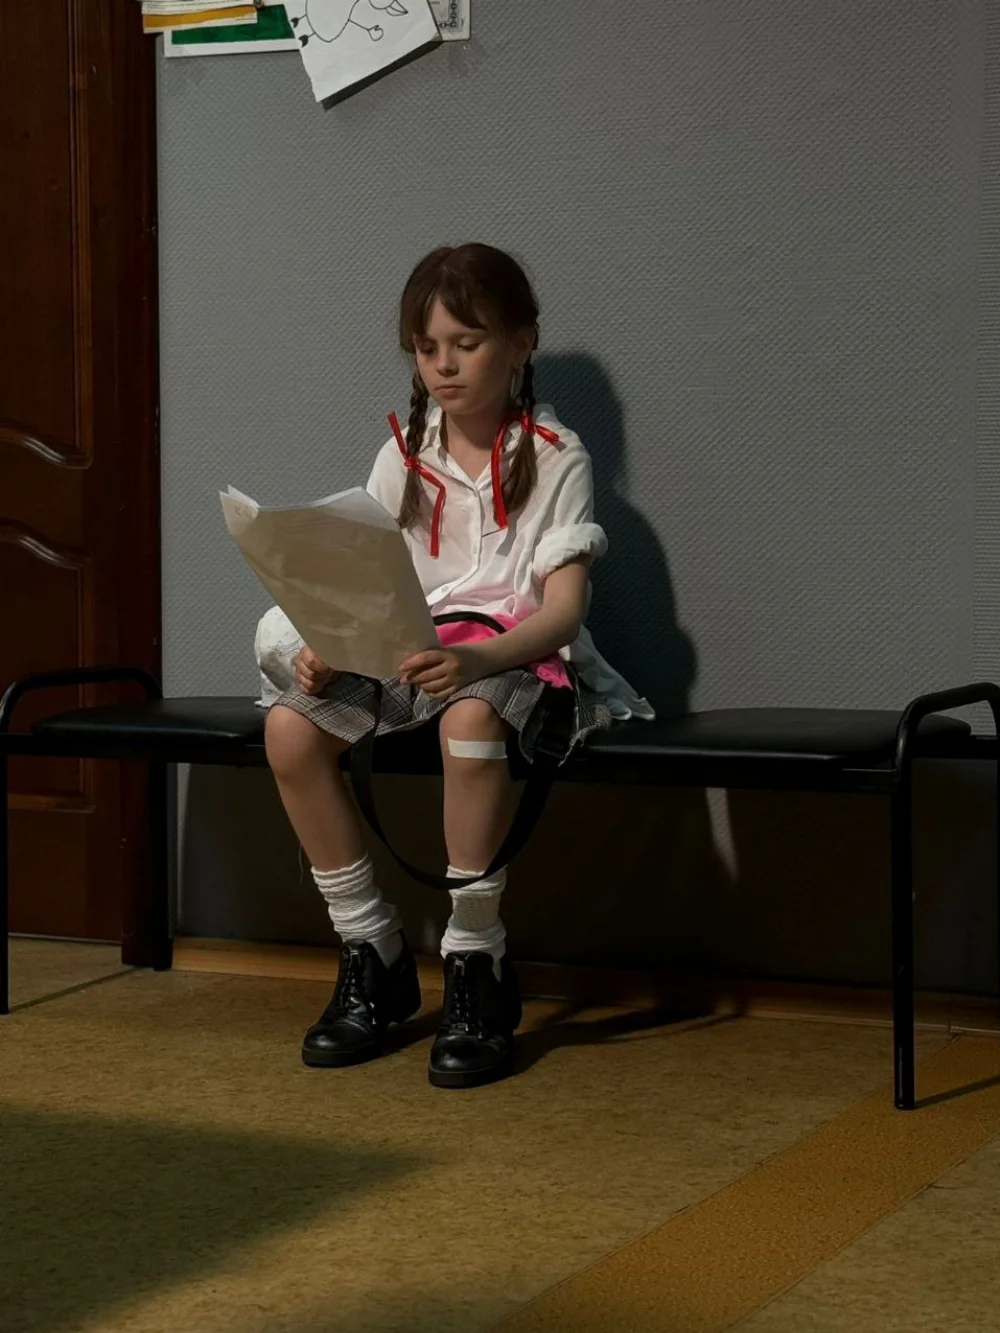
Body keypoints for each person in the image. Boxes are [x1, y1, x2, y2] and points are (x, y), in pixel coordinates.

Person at [260, 242, 652, 1089]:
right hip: (411, 653)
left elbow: (561, 613)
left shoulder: (557, 454)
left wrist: (476, 660)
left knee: (472, 718)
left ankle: (476, 960)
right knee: (288, 728)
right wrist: (329, 642)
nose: (442, 365)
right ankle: (371, 948)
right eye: (426, 347)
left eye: (465, 344)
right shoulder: (402, 453)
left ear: (521, 342)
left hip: (511, 653)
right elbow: (367, 582)